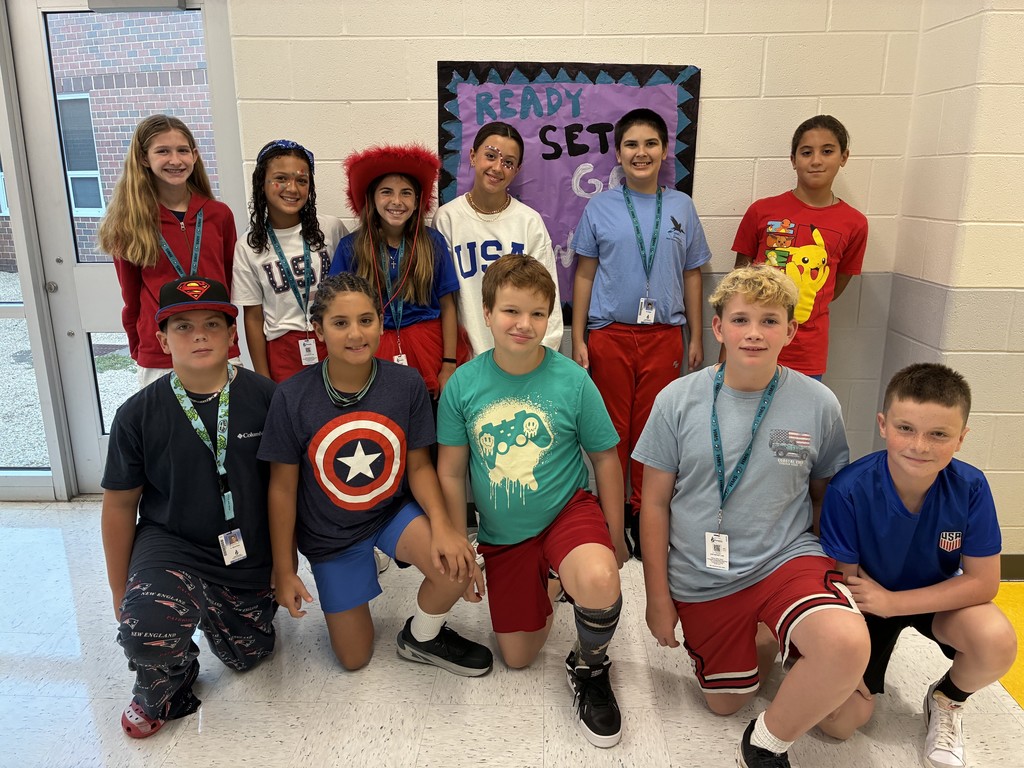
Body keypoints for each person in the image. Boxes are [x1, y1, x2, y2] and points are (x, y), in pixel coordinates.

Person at [634, 266, 869, 767]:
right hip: (703, 575)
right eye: (741, 320)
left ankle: (764, 743)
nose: (755, 333)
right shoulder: (676, 400)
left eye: (769, 320)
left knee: (845, 652)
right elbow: (653, 504)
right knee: (726, 702)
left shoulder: (818, 403)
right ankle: (770, 635)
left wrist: (837, 584)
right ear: (718, 328)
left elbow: (826, 497)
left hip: (785, 558)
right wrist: (657, 597)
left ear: (791, 330)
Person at [437, 254, 629, 748]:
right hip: (504, 534)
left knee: (598, 577)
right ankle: (552, 578)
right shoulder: (463, 386)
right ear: (486, 313)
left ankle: (590, 666)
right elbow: (451, 471)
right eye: (511, 311)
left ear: (550, 319)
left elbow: (606, 458)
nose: (524, 324)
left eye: (537, 313)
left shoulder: (572, 380)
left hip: (567, 511)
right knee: (518, 657)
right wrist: (461, 544)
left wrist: (612, 535)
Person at [257, 272, 492, 676]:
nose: (355, 334)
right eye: (340, 323)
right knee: (354, 659)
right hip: (330, 536)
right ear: (318, 330)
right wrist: (285, 568)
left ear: (381, 324)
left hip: (390, 513)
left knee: (455, 566)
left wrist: (444, 526)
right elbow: (282, 488)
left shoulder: (406, 383)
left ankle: (421, 637)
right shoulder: (291, 396)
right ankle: (353, 574)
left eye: (366, 320)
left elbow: (419, 465)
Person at [101, 275, 277, 739]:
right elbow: (119, 506)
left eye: (212, 324)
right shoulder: (136, 414)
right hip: (172, 543)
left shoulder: (267, 399)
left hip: (246, 550)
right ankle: (168, 679)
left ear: (232, 334)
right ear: (162, 339)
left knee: (249, 656)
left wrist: (286, 565)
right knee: (145, 627)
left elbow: (286, 491)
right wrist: (120, 590)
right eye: (183, 326)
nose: (199, 335)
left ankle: (214, 608)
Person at [819, 363, 1016, 767]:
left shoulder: (971, 487)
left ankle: (947, 699)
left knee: (997, 641)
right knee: (839, 723)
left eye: (938, 434)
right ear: (883, 425)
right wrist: (846, 662)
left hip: (931, 597)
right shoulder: (849, 489)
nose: (920, 446)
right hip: (867, 603)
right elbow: (845, 582)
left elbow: (983, 583)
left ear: (961, 438)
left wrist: (895, 603)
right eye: (906, 428)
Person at [571, 107, 711, 558]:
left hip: (665, 336)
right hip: (610, 333)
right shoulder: (600, 207)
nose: (641, 152)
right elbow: (584, 274)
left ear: (665, 151)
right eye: (631, 144)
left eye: (650, 143)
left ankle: (641, 513)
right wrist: (578, 338)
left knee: (655, 429)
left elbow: (692, 274)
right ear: (618, 153)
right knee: (613, 430)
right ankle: (612, 517)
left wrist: (696, 336)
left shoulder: (681, 206)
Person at [99, 114, 239, 387]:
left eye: (182, 150)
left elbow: (228, 286)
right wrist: (140, 349)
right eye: (163, 151)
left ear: (194, 155)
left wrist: (230, 338)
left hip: (216, 346)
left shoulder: (219, 215)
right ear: (143, 158)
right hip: (161, 352)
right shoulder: (129, 222)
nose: (175, 160)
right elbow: (131, 297)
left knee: (227, 415)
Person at [728, 114, 868, 379]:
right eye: (806, 152)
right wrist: (728, 348)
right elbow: (738, 282)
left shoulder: (855, 223)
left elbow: (834, 286)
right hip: (751, 343)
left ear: (844, 157)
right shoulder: (762, 211)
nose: (816, 160)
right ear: (793, 160)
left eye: (827, 151)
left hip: (806, 352)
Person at [330, 144, 465, 398]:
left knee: (426, 411)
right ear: (372, 198)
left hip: (427, 347)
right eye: (386, 192)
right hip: (373, 345)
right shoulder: (351, 248)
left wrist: (449, 363)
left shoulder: (432, 243)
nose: (396, 201)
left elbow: (448, 306)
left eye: (406, 193)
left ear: (417, 201)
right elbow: (336, 308)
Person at [433, 121, 563, 357]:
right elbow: (444, 300)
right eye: (490, 156)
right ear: (473, 156)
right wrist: (449, 359)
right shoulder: (447, 219)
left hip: (521, 360)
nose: (497, 168)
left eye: (508, 163)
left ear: (517, 170)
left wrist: (539, 359)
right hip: (467, 361)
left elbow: (547, 299)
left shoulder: (529, 222)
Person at [232, 139, 347, 382]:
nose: (292, 188)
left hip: (334, 340)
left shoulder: (331, 228)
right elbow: (253, 318)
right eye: (281, 178)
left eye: (302, 181)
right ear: (262, 183)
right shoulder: (248, 246)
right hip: (282, 351)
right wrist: (263, 379)